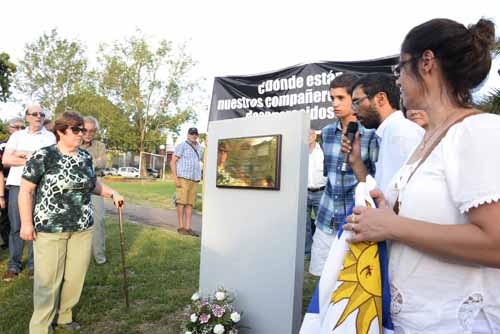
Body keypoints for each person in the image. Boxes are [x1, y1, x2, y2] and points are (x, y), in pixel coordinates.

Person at [344, 18, 500, 333]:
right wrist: (385, 212)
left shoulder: (476, 131)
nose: (398, 80)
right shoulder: (430, 137)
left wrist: (393, 225)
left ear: (426, 62)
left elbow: (496, 243)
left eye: (400, 68)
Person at [19, 111, 124, 334]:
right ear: (61, 131)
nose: (81, 134)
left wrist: (112, 193)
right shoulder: (44, 156)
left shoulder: (85, 157)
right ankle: (40, 327)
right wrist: (26, 223)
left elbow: (92, 184)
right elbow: (26, 191)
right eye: (76, 129)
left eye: (83, 130)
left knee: (75, 277)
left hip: (82, 227)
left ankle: (64, 317)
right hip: (50, 228)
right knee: (47, 282)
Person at [309, 74, 378, 276]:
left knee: (350, 288)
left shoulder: (371, 134)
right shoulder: (328, 133)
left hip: (356, 224)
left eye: (341, 98)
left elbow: (375, 182)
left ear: (354, 99)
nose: (335, 104)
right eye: (332, 98)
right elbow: (329, 175)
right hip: (325, 220)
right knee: (322, 286)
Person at [2, 105, 56, 281]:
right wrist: (34, 157)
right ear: (26, 117)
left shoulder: (49, 137)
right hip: (18, 186)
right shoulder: (17, 136)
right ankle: (14, 265)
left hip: (40, 187)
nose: (39, 116)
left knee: (37, 226)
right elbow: (6, 159)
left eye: (42, 114)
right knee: (16, 227)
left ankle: (34, 266)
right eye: (34, 114)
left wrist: (23, 154)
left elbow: (50, 161)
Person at [347, 73, 424, 194]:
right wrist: (355, 161)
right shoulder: (387, 134)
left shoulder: (401, 133)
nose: (353, 111)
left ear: (381, 99)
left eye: (357, 102)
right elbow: (383, 196)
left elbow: (411, 196)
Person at [81, 116, 108, 265]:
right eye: (85, 130)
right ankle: (79, 256)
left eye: (92, 130)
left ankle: (99, 256)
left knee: (98, 219)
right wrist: (93, 161)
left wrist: (83, 161)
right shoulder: (73, 143)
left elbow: (102, 162)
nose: (88, 133)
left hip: (95, 182)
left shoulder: (100, 145)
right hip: (75, 184)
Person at [170, 127, 203, 236]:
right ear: (188, 135)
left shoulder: (200, 148)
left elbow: (202, 161)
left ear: (197, 135)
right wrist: (175, 178)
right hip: (183, 178)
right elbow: (173, 162)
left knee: (190, 204)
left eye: (195, 134)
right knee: (181, 203)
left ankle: (188, 228)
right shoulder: (182, 146)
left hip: (194, 179)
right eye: (192, 133)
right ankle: (181, 227)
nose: (193, 135)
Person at [0, 117, 25, 250]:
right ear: (9, 129)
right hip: (3, 184)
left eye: (22, 127)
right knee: (5, 217)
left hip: (20, 184)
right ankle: (7, 243)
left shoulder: (25, 143)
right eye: (16, 127)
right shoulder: (3, 145)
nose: (19, 130)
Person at [305, 129, 327, 258]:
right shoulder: (300, 152)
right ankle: (307, 252)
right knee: (304, 225)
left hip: (320, 192)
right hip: (303, 193)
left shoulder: (323, 152)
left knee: (321, 224)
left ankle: (321, 253)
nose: (308, 137)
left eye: (310, 134)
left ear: (315, 136)